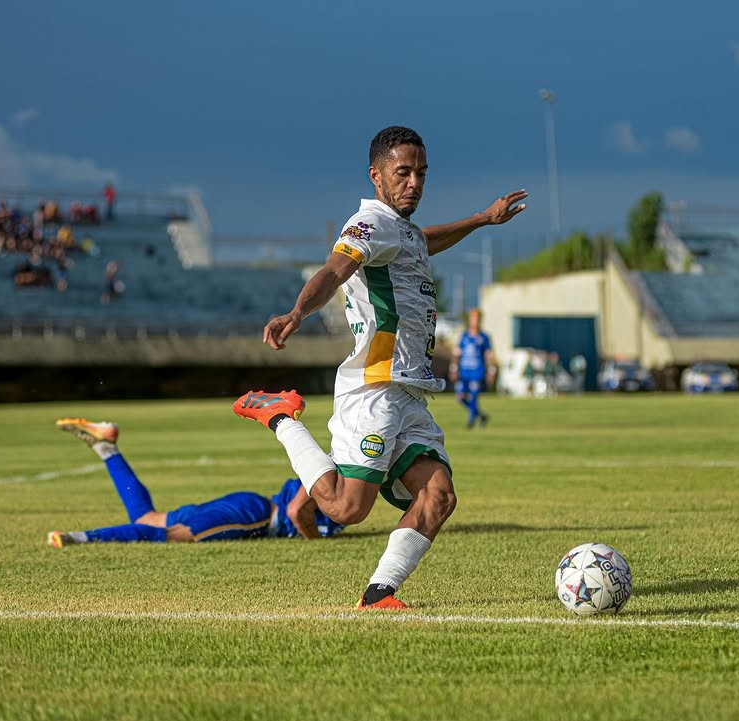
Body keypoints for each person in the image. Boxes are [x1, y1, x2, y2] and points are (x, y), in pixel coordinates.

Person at [234, 126, 526, 609]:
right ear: (376, 176)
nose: (414, 183)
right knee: (348, 509)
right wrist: (297, 313)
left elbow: (421, 240)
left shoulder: (401, 229)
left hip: (409, 391)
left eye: (422, 173)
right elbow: (334, 270)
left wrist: (480, 219)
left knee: (439, 497)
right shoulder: (368, 224)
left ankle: (379, 594)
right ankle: (280, 416)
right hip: (373, 387)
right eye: (403, 172)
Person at [47, 418, 344, 547]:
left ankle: (106, 447)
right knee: (177, 536)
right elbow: (296, 512)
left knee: (147, 520)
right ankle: (80, 538)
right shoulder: (334, 472)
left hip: (247, 505)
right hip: (255, 515)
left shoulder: (344, 478)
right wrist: (317, 543)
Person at [449, 307, 497, 428]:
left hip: (477, 371)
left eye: (477, 318)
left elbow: (489, 355)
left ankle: (470, 422)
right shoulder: (464, 336)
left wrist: (491, 371)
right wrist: (454, 369)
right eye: (473, 318)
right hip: (464, 371)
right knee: (460, 397)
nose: (475, 321)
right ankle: (481, 416)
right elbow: (456, 354)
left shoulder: (484, 337)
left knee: (474, 396)